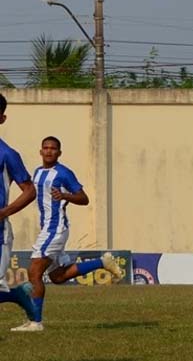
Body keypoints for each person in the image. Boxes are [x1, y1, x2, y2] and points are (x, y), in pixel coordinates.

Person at [11, 136, 123, 332]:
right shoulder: (37, 172)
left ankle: (35, 322)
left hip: (55, 228)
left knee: (34, 272)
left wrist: (65, 196)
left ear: (59, 153)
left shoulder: (63, 173)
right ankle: (102, 262)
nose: (49, 151)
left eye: (53, 148)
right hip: (48, 227)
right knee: (57, 276)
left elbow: (84, 198)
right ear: (40, 151)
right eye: (45, 148)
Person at [0, 94, 39, 326]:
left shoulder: (7, 154)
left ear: (2, 119)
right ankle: (18, 295)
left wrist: (4, 212)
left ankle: (18, 296)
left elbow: (29, 190)